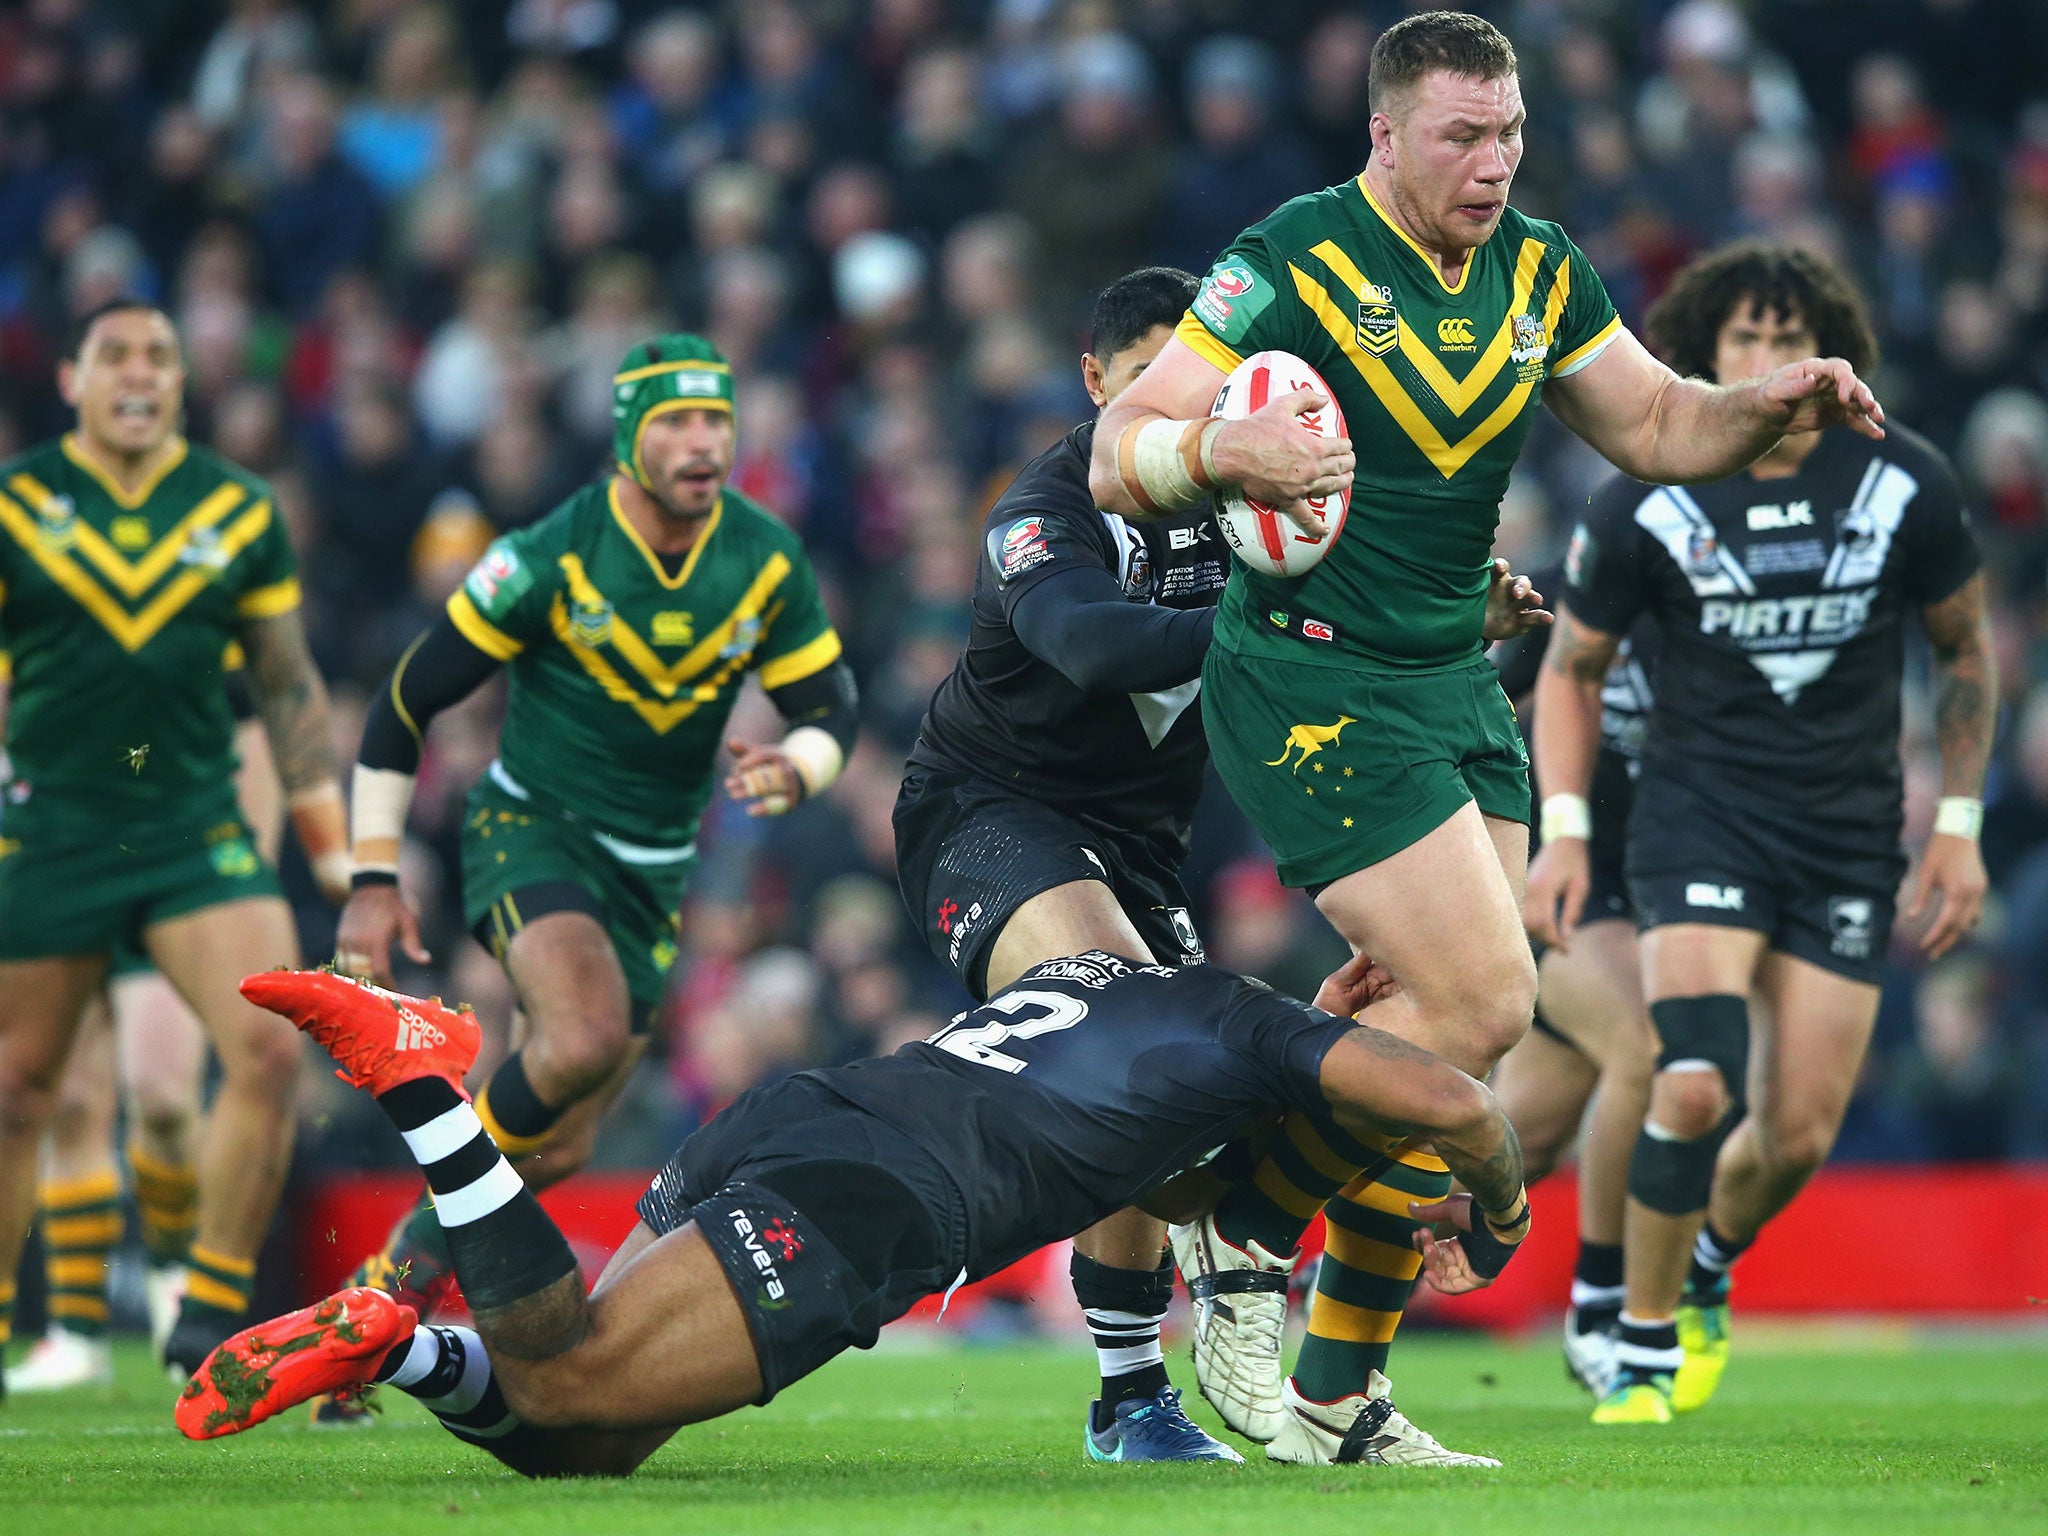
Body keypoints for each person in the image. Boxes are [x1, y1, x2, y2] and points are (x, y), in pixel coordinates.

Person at [1084, 10, 1883, 1462]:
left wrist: (1760, 406)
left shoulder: (1539, 268)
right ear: (1384, 133)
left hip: (1457, 681)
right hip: (1312, 679)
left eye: (1510, 130)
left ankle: (1338, 1393)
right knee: (1484, 1003)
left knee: (1444, 1047)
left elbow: (1653, 424)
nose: (1496, 161)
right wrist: (1211, 452)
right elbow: (1116, 446)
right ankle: (1245, 1231)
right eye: (1464, 134)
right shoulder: (1292, 255)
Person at [895, 266, 1548, 1462]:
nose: (1183, 420)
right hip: (987, 811)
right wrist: (1277, 627)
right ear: (1095, 385)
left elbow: (1365, 651)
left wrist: (1461, 627)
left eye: (1202, 388)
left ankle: (1316, 1372)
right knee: (1128, 1033)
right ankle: (1129, 1396)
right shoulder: (1040, 508)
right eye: (1148, 383)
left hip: (1143, 845)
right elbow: (1089, 645)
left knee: (1202, 1101)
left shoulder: (1267, 501)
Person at [177, 954, 1535, 1471]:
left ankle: (395, 1342)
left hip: (796, 1117)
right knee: (580, 1380)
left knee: (574, 1441)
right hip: (883, 1200)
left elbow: (1146, 1172)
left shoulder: (1123, 984)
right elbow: (1460, 1104)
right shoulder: (1255, 1034)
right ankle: (424, 1079)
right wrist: (1503, 1212)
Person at [321, 332, 857, 1420]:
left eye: (715, 419)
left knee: (559, 1137)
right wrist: (372, 875)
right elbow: (402, 704)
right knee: (571, 1040)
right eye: (674, 422)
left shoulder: (761, 559)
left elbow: (829, 705)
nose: (701, 440)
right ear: (627, 438)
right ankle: (395, 1281)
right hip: (532, 829)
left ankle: (393, 1286)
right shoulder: (552, 555)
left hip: (656, 873)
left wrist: (797, 768)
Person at [1524, 241, 1995, 1424]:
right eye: (1744, 338)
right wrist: (1566, 831)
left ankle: (1703, 1264)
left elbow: (1962, 654)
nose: (1771, 360)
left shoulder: (1901, 480)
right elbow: (1569, 670)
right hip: (1696, 826)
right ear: (1698, 354)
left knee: (1791, 1137)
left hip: (1841, 837)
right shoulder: (1645, 489)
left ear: (1833, 349)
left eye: (1791, 337)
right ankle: (1633, 1347)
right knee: (1687, 1083)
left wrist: (1956, 824)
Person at [0, 298, 349, 1393]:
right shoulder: (16, 507)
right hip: (52, 824)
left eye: (159, 355)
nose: (140, 373)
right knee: (22, 1089)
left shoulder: (240, 511)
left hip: (191, 825)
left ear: (181, 383)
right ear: (71, 379)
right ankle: (34, 1319)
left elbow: (288, 685)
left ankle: (205, 1308)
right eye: (115, 355)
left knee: (264, 1051)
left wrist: (341, 857)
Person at [4, 654, 282, 1391]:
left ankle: (170, 1268)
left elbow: (252, 720)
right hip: (57, 859)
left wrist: (249, 865)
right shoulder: (38, 592)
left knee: (160, 1096)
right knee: (65, 1098)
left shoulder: (177, 608)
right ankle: (76, 1333)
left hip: (167, 864)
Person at [1489, 597, 1658, 1399]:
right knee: (1645, 1051)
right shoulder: (1579, 593)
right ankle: (1602, 1304)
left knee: (1510, 1150)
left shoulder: (1723, 606)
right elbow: (1491, 706)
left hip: (1660, 896)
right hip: (1569, 886)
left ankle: (1341, 1259)